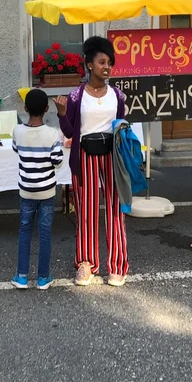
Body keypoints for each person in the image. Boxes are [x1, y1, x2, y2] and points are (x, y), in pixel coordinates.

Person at [54, 36, 129, 287]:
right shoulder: (76, 96)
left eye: (109, 63)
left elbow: (120, 125)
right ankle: (86, 264)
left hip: (112, 156)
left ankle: (117, 265)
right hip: (84, 153)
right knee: (86, 209)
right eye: (101, 62)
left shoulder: (117, 96)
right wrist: (62, 114)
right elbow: (68, 131)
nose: (106, 67)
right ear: (89, 65)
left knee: (115, 209)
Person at [10, 89, 64, 290]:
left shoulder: (17, 131)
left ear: (25, 108)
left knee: (24, 230)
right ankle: (43, 277)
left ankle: (22, 276)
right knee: (45, 231)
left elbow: (16, 149)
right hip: (47, 191)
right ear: (47, 109)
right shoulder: (52, 134)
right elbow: (57, 162)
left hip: (26, 190)